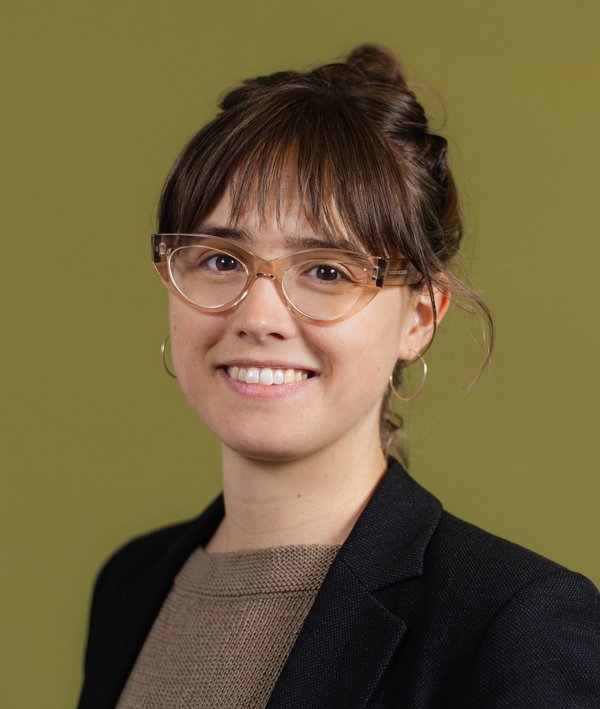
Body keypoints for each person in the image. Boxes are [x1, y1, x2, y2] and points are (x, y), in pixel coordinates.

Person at [78, 45, 600, 708]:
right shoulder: (131, 583)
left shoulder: (512, 619)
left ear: (419, 316)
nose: (259, 314)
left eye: (326, 270)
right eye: (219, 259)